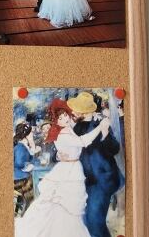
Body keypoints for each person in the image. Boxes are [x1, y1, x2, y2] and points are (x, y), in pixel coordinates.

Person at [15, 99, 111, 236]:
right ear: (56, 121)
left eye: (65, 115)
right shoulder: (62, 133)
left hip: (72, 167)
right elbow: (83, 142)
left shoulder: (67, 129)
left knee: (69, 206)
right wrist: (100, 128)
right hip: (68, 170)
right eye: (60, 118)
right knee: (64, 204)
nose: (64, 118)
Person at [69, 92, 124, 237]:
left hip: (102, 179)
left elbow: (114, 149)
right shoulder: (77, 127)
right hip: (85, 179)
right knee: (85, 219)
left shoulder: (100, 125)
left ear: (85, 111)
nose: (73, 111)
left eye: (77, 109)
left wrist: (105, 133)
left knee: (94, 221)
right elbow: (70, 149)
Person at [13, 123, 39, 214]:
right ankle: (25, 213)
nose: (32, 134)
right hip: (19, 180)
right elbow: (19, 163)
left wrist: (32, 145)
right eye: (31, 133)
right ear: (26, 135)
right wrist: (28, 166)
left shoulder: (23, 146)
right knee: (36, 189)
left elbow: (29, 158)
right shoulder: (20, 147)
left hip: (20, 177)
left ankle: (24, 211)